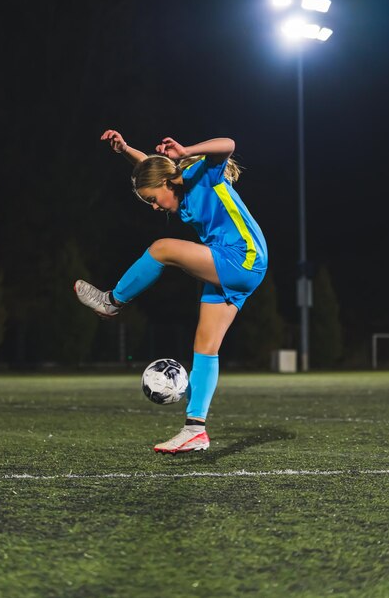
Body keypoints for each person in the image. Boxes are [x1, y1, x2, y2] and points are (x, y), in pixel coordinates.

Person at [75, 129, 268, 454]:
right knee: (205, 348)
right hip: (230, 262)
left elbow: (228, 145)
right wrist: (124, 150)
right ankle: (195, 430)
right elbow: (154, 168)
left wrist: (186, 151)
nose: (154, 207)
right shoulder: (171, 180)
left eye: (153, 199)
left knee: (162, 248)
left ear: (168, 182)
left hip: (242, 257)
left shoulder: (199, 174)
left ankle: (111, 302)